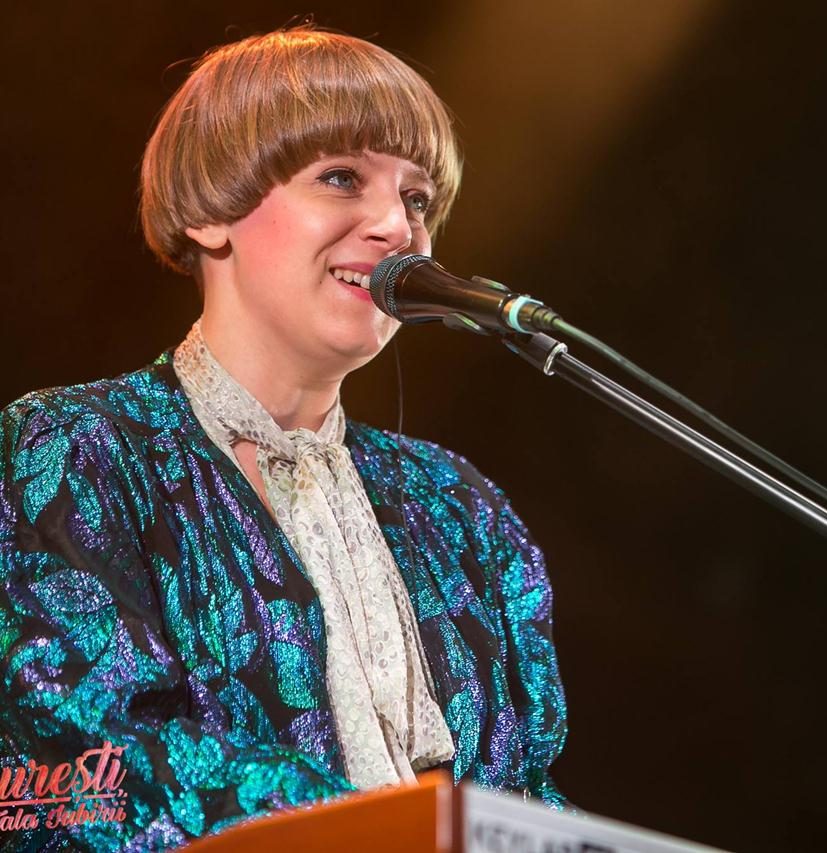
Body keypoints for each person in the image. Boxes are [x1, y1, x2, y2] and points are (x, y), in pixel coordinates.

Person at [0, 27, 566, 850]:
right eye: (341, 178)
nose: (397, 228)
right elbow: (93, 767)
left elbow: (527, 792)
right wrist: (398, 832)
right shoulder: (79, 451)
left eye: (417, 199)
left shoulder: (457, 504)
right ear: (209, 211)